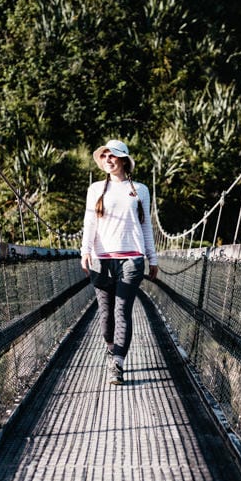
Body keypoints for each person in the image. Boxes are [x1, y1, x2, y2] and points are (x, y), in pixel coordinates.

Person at [80, 139, 158, 385]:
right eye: (104, 156)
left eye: (112, 156)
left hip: (132, 260)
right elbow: (89, 223)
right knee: (106, 316)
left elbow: (146, 226)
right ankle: (111, 348)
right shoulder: (95, 189)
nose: (108, 160)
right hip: (101, 259)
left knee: (122, 310)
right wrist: (85, 252)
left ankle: (118, 364)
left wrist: (152, 257)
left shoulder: (140, 190)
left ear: (124, 160)